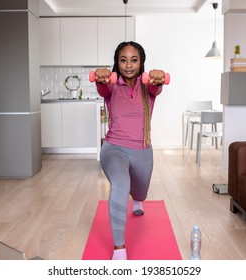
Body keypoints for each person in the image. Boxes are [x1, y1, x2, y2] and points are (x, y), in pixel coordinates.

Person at [93, 41, 167, 260]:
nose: (128, 65)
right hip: (114, 148)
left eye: (134, 60)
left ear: (141, 62)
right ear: (116, 62)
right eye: (123, 60)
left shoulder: (148, 86)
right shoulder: (111, 86)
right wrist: (101, 75)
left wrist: (158, 76)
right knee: (120, 182)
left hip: (142, 150)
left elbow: (156, 86)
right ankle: (119, 249)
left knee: (140, 192)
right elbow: (102, 87)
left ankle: (138, 199)